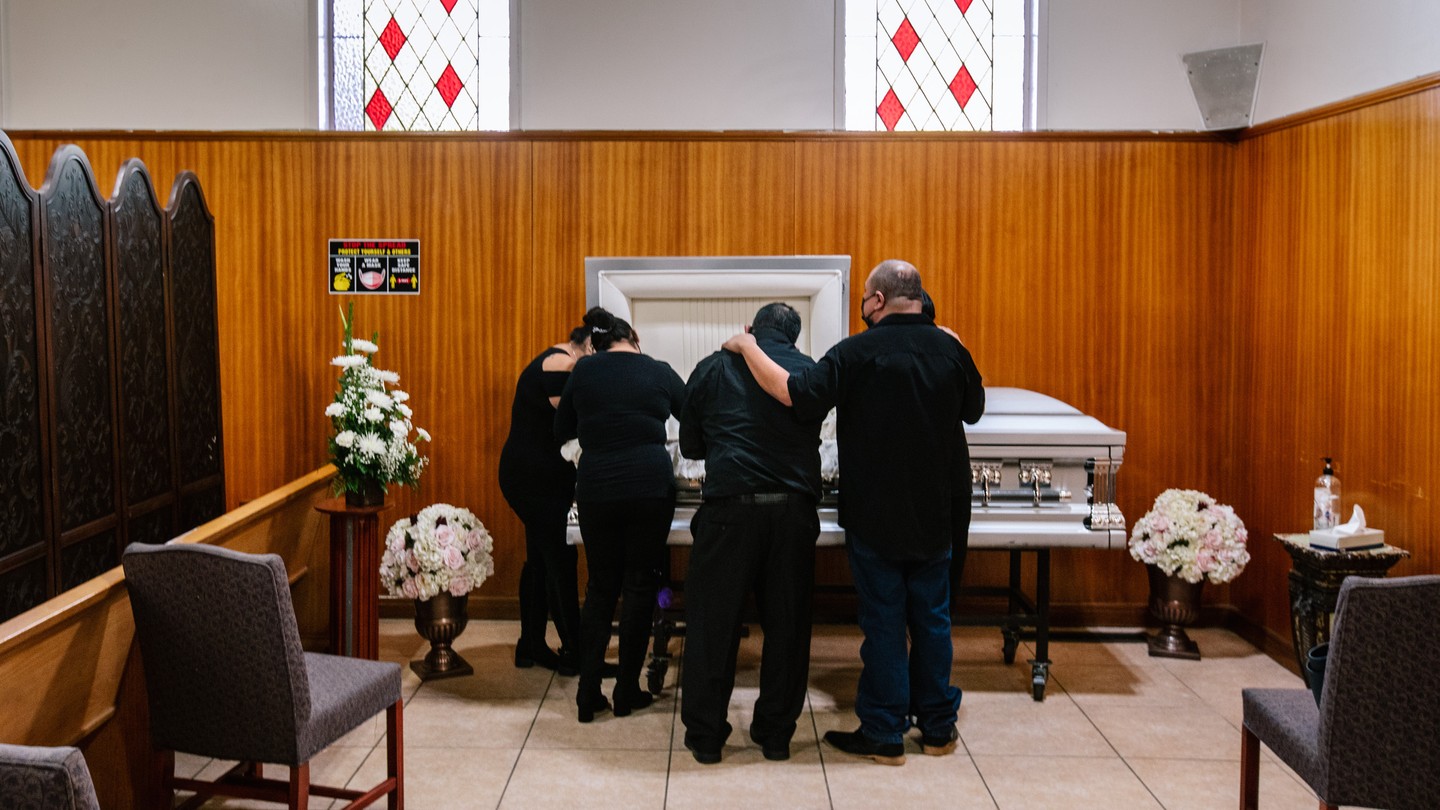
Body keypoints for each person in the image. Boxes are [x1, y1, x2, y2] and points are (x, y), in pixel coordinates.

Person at [722, 259, 984, 766]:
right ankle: (937, 728)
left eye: (864, 299)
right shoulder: (950, 350)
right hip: (935, 512)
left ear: (878, 301)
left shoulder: (855, 353)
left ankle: (885, 733)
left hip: (876, 513)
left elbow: (794, 395)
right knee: (932, 619)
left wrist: (748, 345)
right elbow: (973, 409)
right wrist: (954, 343)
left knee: (884, 621)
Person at [678, 302, 824, 765]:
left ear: (750, 330)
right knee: (788, 625)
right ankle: (776, 735)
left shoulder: (713, 367)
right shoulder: (810, 371)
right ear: (794, 338)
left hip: (729, 514)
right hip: (793, 515)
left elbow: (689, 444)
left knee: (712, 626)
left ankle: (705, 737)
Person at [554, 308, 686, 723]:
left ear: (598, 343)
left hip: (598, 486)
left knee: (600, 587)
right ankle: (628, 690)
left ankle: (587, 695)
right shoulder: (660, 371)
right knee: (641, 585)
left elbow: (562, 430)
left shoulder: (585, 371)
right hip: (650, 486)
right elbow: (695, 420)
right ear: (635, 337)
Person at [498, 315, 596, 674]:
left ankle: (531, 645)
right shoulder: (562, 362)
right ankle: (575, 651)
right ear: (586, 344)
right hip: (531, 477)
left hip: (538, 475)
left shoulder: (565, 360)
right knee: (558, 559)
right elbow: (569, 423)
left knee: (541, 558)